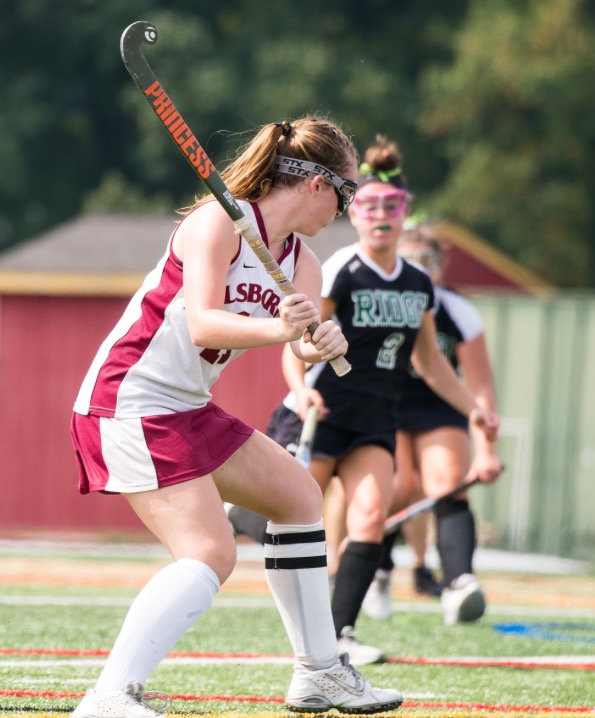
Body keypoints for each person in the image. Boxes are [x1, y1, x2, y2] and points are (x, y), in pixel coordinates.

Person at [68, 116, 402, 718]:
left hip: (187, 407)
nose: (348, 209)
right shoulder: (219, 222)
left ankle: (319, 672)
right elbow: (204, 323)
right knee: (209, 552)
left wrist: (314, 341)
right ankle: (109, 696)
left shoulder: (302, 260)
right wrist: (282, 328)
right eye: (347, 193)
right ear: (315, 185)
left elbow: (294, 342)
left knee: (300, 498)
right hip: (131, 400)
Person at [228, 135, 498, 665]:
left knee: (370, 518)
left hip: (375, 418)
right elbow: (299, 342)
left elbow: (429, 362)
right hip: (322, 413)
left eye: (391, 209)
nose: (380, 217)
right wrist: (302, 390)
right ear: (354, 214)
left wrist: (472, 408)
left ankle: (340, 634)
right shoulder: (340, 271)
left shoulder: (418, 282)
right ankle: (244, 517)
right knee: (297, 517)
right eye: (369, 206)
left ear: (404, 215)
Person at [362, 224, 503, 626]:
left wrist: (487, 450)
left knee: (448, 482)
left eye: (428, 262)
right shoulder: (374, 301)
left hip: (440, 406)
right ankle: (379, 569)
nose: (419, 270)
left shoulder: (458, 312)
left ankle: (459, 582)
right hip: (384, 402)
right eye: (408, 261)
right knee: (398, 486)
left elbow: (480, 389)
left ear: (441, 269)